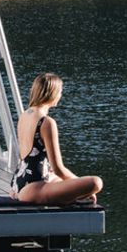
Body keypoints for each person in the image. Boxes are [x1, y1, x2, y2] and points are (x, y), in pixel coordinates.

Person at [10, 72, 103, 206]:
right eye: (60, 92)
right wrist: (81, 185)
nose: (60, 95)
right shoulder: (46, 122)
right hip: (34, 188)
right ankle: (72, 196)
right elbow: (58, 168)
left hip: (18, 183)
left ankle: (69, 196)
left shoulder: (24, 115)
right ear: (52, 93)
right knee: (95, 183)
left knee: (59, 180)